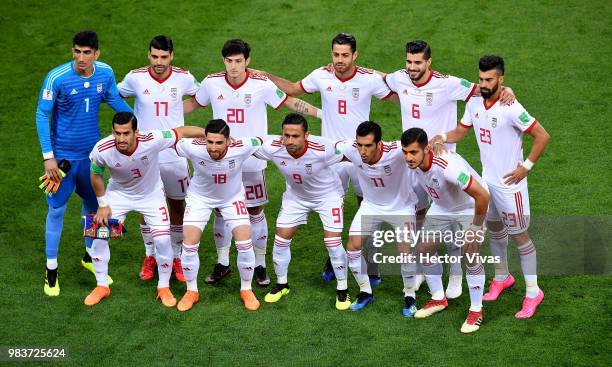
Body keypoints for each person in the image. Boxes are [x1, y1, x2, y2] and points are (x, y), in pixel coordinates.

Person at [253, 33, 397, 283]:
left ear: (355, 55)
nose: (339, 60)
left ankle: (371, 263)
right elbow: (293, 89)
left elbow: (400, 95)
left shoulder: (369, 79)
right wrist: (266, 75)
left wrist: (385, 76)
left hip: (361, 154)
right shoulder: (321, 75)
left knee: (368, 206)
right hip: (331, 157)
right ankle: (333, 260)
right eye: (335, 54)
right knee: (333, 209)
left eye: (344, 55)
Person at [183, 39, 322, 287]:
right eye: (229, 61)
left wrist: (322, 114)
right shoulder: (212, 82)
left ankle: (259, 265)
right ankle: (223, 262)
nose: (233, 66)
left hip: (252, 159)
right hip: (221, 158)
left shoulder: (261, 84)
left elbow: (289, 101)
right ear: (223, 61)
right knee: (220, 209)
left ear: (247, 61)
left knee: (255, 210)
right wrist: (157, 112)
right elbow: (193, 104)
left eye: (238, 61)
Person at [383, 40, 515, 298]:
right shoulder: (400, 78)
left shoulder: (448, 84)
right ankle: (423, 267)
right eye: (409, 61)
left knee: (452, 218)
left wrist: (506, 88)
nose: (412, 67)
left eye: (418, 62)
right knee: (418, 212)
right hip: (414, 162)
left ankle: (456, 273)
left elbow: (482, 89)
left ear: (428, 62)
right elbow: (380, 78)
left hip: (443, 164)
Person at [430, 55, 550, 319]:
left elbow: (542, 135)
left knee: (520, 237)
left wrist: (525, 167)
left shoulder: (511, 106)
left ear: (501, 79)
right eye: (481, 78)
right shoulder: (474, 102)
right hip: (488, 184)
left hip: (511, 187)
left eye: (489, 79)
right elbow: (462, 131)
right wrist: (443, 136)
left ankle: (533, 291)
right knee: (495, 231)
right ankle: (502, 277)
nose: (483, 84)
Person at [35, 30, 132, 296]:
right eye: (77, 51)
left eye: (86, 52)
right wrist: (48, 157)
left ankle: (90, 258)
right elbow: (42, 115)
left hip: (92, 159)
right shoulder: (56, 78)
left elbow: (114, 100)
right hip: (62, 163)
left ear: (96, 54)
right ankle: (51, 270)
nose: (81, 57)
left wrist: (139, 124)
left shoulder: (105, 73)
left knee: (95, 208)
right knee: (56, 211)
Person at [86, 112, 205, 307]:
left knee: (162, 240)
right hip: (119, 195)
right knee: (99, 235)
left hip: (151, 196)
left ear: (136, 132)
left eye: (126, 133)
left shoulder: (152, 140)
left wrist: (207, 134)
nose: (121, 139)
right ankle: (101, 286)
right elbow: (95, 174)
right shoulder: (102, 148)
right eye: (117, 133)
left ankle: (164, 286)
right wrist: (102, 204)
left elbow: (181, 132)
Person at [118, 35, 200, 282]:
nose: (159, 62)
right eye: (154, 56)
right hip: (145, 156)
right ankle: (150, 254)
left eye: (164, 57)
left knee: (177, 204)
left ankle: (175, 256)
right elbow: (114, 95)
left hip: (175, 154)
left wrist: (178, 110)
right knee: (146, 204)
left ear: (172, 56)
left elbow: (201, 97)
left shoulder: (184, 77)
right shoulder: (135, 77)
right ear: (148, 55)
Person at [253, 113, 350, 310]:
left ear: (307, 135)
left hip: (328, 197)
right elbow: (245, 146)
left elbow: (356, 152)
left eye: (295, 136)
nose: (289, 140)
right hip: (296, 198)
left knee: (332, 242)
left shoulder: (324, 148)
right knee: (280, 240)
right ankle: (282, 285)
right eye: (286, 135)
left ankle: (343, 289)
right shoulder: (274, 147)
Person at [402, 128, 490, 332]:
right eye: (405, 152)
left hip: (469, 205)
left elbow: (483, 195)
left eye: (413, 152)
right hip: (443, 206)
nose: (408, 157)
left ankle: (476, 310)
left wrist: (476, 226)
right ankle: (438, 298)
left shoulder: (447, 166)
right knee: (425, 247)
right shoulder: (411, 163)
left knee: (470, 251)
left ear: (426, 149)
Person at [174, 119, 264, 312]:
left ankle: (246, 290)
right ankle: (191, 291)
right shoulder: (191, 147)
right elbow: (177, 134)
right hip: (199, 199)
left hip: (232, 199)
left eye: (219, 143)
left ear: (229, 141)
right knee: (188, 245)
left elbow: (263, 141)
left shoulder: (242, 147)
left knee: (244, 243)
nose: (213, 148)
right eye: (210, 142)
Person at [336, 121, 418, 312]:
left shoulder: (397, 150)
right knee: (353, 246)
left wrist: (439, 142)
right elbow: (325, 148)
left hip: (401, 208)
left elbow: (420, 147)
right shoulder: (350, 149)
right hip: (371, 206)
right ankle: (366, 291)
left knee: (404, 252)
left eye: (368, 146)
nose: (362, 151)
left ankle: (410, 295)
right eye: (360, 145)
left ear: (379, 144)